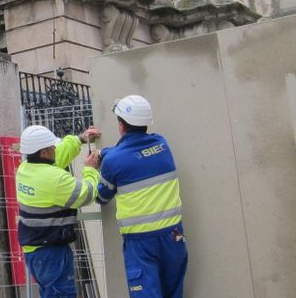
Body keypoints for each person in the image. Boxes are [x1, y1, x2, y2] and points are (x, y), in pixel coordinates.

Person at [95, 95, 187, 298]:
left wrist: (93, 167)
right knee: (174, 292)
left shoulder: (114, 161)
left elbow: (101, 197)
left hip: (141, 242)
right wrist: (105, 152)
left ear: (121, 124)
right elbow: (131, 152)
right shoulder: (162, 144)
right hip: (174, 235)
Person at [16, 124, 102, 298]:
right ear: (44, 153)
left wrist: (80, 139)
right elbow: (88, 194)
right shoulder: (53, 179)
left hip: (35, 250)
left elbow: (60, 154)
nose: (56, 148)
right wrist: (91, 170)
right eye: (52, 147)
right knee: (62, 294)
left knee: (50, 293)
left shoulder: (25, 169)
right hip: (51, 252)